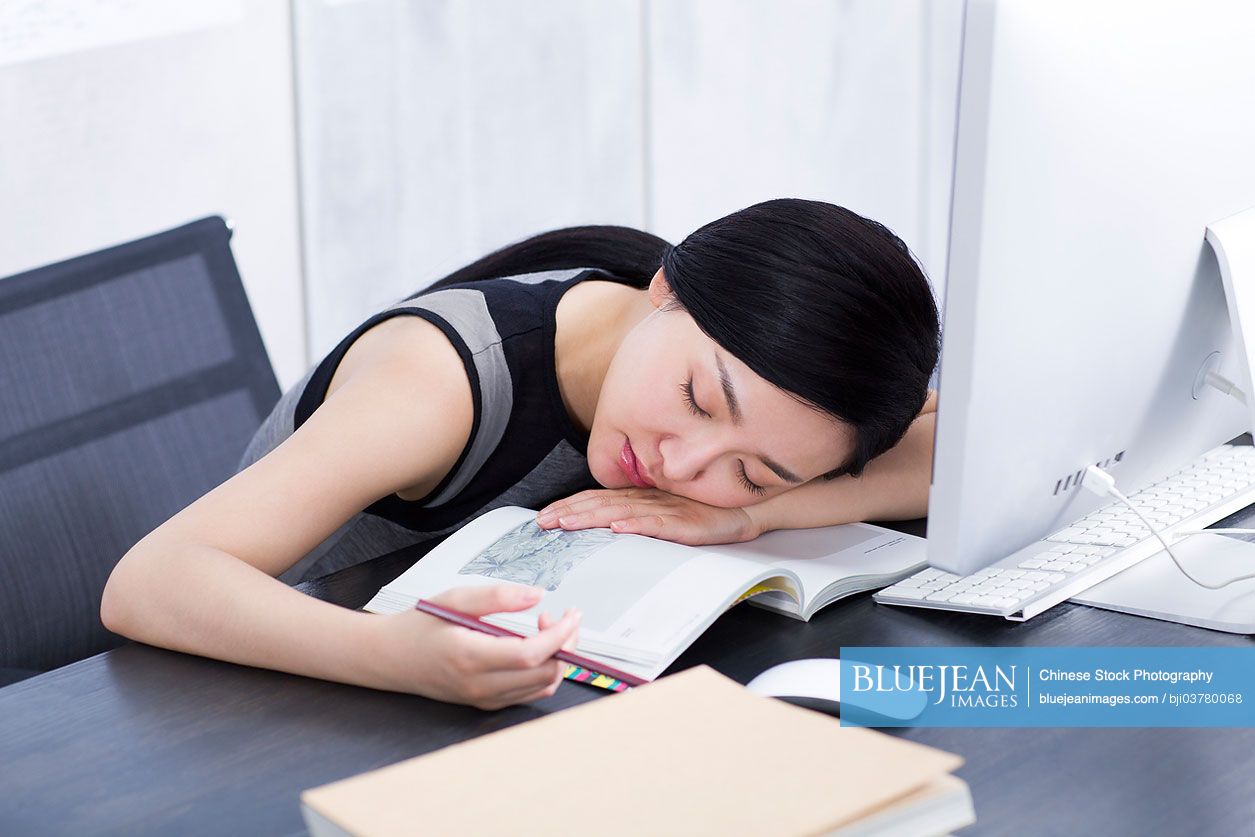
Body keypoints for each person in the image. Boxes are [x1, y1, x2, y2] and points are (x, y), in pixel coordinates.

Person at [100, 198, 940, 710]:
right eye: (696, 399)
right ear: (665, 290)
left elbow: (948, 449)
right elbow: (149, 581)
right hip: (259, 686)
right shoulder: (445, 381)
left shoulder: (722, 364)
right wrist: (389, 653)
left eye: (751, 467)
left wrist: (758, 512)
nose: (687, 470)